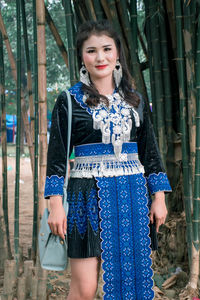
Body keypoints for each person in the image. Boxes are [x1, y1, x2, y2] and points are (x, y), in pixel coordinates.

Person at [44, 20, 172, 300]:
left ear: (117, 54)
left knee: (134, 285)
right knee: (85, 288)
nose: (100, 57)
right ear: (81, 56)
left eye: (106, 49)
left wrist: (159, 197)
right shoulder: (69, 100)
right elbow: (56, 157)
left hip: (133, 196)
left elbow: (149, 152)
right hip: (85, 198)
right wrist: (55, 204)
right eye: (91, 51)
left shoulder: (135, 100)